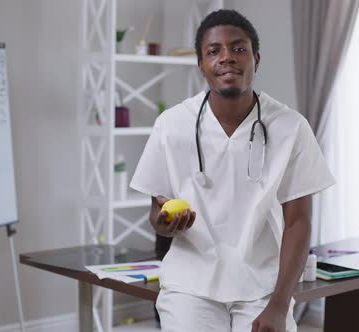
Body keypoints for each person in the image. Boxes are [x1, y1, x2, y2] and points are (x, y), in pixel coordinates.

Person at [130, 9, 334, 332]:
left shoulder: (291, 128)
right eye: (214, 51)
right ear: (201, 64)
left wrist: (279, 306)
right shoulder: (171, 126)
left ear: (256, 58)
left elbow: (298, 222)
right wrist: (165, 222)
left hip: (262, 287)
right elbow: (156, 211)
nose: (227, 58)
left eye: (238, 49)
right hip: (190, 284)